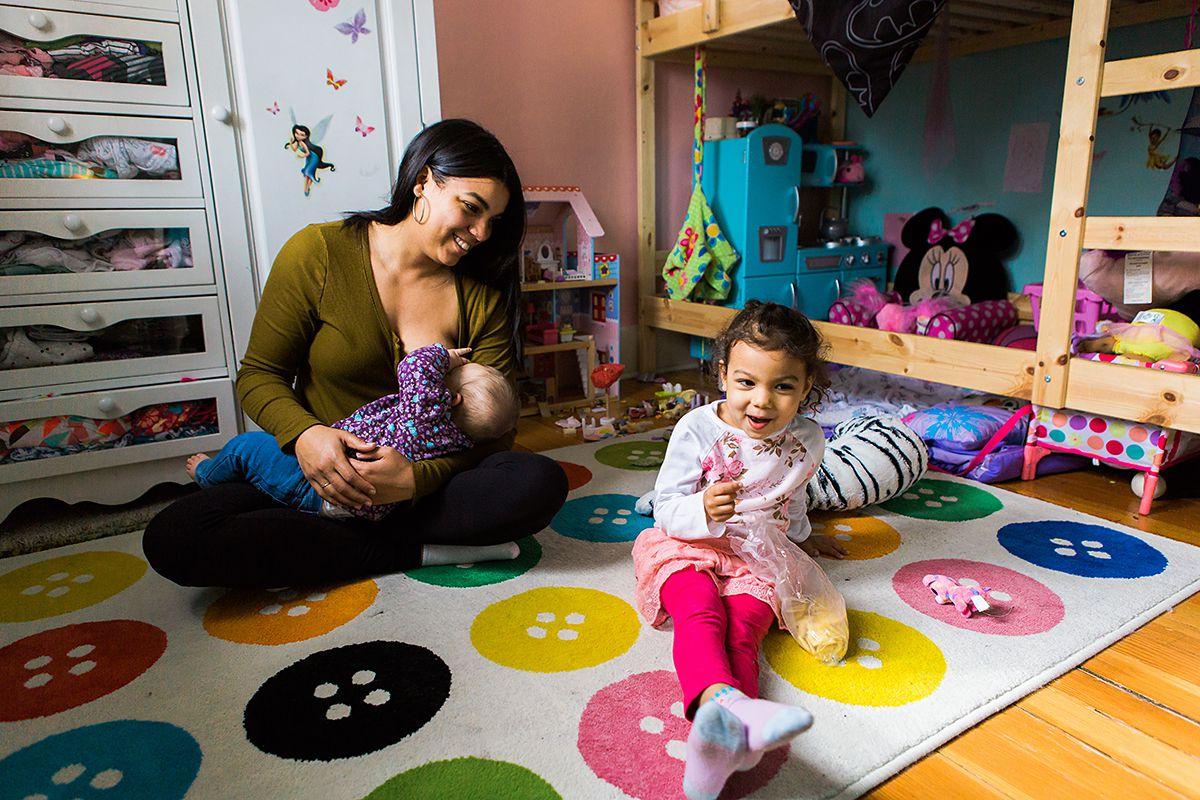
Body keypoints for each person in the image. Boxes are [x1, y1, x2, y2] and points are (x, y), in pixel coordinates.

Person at [142, 119, 568, 587]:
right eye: (471, 208)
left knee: (539, 483)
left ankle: (345, 547)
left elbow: (495, 433)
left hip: (425, 490)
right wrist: (306, 436)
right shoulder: (318, 253)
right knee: (175, 536)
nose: (483, 233)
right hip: (317, 481)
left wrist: (411, 480)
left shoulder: (480, 297)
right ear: (423, 180)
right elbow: (259, 376)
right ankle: (413, 550)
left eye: (495, 221)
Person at [631, 301, 845, 800]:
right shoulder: (698, 429)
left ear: (806, 387)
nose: (762, 402)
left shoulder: (807, 439)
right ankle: (723, 705)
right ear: (724, 374)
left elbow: (788, 498)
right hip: (690, 542)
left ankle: (723, 734)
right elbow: (666, 506)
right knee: (702, 612)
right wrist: (702, 507)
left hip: (759, 554)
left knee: (745, 627)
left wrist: (802, 540)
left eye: (784, 386)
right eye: (747, 383)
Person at [185, 343, 517, 532]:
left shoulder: (427, 410)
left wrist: (446, 357)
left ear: (451, 398)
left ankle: (207, 474)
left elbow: (414, 366)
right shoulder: (463, 439)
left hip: (318, 482)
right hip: (365, 508)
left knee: (246, 448)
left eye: (454, 375)